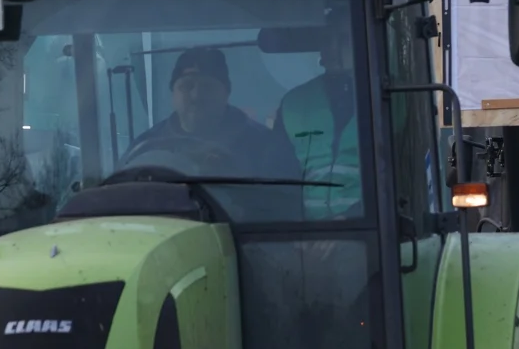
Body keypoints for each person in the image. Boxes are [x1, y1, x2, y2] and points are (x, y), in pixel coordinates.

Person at [126, 47, 298, 179]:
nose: (196, 95)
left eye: (207, 87)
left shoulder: (266, 147)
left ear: (226, 93)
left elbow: (281, 203)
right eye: (186, 86)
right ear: (173, 93)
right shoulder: (145, 148)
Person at [274, 31, 363, 219]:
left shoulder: (393, 99)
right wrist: (296, 233)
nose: (332, 47)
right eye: (326, 39)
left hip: (373, 231)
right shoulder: (293, 103)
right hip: (308, 236)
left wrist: (353, 218)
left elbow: (401, 175)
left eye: (342, 38)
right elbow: (279, 180)